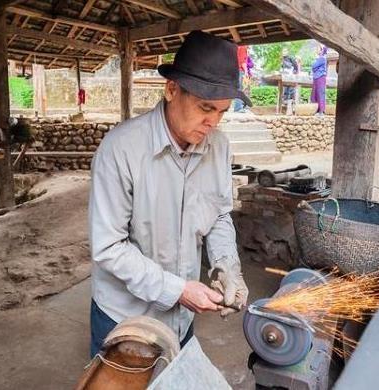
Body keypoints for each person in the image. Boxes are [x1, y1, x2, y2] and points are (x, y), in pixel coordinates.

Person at [88, 30, 250, 357]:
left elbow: (218, 214)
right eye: (206, 107)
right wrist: (177, 290)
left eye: (221, 112)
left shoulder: (218, 146)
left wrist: (227, 266)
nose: (213, 122)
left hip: (181, 319)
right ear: (171, 89)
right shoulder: (121, 149)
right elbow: (109, 247)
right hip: (125, 318)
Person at [311, 45, 328, 116]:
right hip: (316, 77)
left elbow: (313, 66)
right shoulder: (319, 59)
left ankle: (321, 111)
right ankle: (316, 110)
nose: (317, 50)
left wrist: (315, 66)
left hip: (320, 77)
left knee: (320, 93)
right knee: (315, 93)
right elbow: (314, 67)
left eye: (318, 49)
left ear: (322, 51)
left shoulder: (322, 59)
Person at [233, 45, 249, 113]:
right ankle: (238, 108)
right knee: (239, 89)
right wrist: (246, 72)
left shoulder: (237, 47)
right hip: (239, 70)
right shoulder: (243, 47)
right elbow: (242, 61)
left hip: (234, 69)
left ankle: (239, 106)